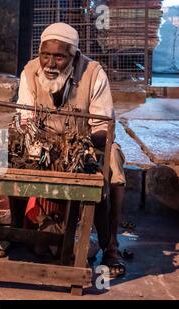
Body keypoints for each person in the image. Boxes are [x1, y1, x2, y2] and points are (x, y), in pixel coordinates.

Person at [14, 22, 127, 277]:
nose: (50, 64)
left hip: (87, 142)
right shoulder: (30, 71)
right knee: (12, 157)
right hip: (43, 142)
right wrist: (40, 144)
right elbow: (24, 119)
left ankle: (111, 247)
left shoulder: (93, 73)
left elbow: (102, 127)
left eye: (59, 57)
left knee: (113, 168)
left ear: (73, 56)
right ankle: (17, 233)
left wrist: (78, 148)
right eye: (45, 55)